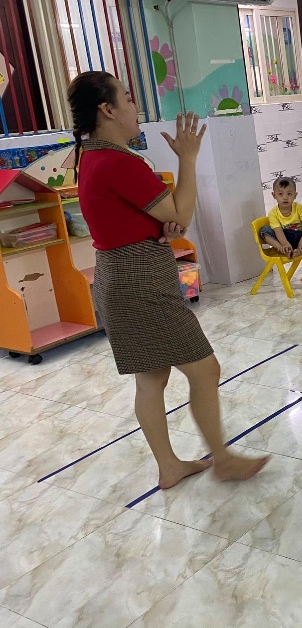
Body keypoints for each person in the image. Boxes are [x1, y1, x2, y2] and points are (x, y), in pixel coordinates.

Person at [70, 71, 268, 488]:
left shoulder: (91, 156)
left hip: (118, 278)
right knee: (204, 369)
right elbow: (181, 212)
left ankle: (170, 466)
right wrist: (188, 158)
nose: (134, 106)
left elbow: (153, 218)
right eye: (127, 98)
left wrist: (162, 225)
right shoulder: (118, 162)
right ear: (107, 110)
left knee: (152, 377)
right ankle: (223, 460)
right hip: (139, 283)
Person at [259, 176, 302, 258]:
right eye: (280, 194)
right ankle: (284, 249)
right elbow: (278, 231)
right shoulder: (273, 213)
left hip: (301, 236)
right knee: (265, 230)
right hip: (284, 238)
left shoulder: (299, 208)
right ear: (274, 195)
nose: (285, 197)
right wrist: (285, 244)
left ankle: (301, 251)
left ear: (295, 195)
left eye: (289, 194)